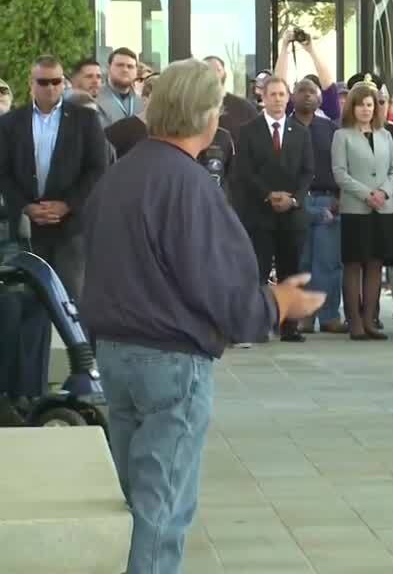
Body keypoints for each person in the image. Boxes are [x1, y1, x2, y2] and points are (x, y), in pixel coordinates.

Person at [80, 58, 323, 574]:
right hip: (169, 362)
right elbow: (220, 287)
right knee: (160, 512)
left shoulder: (119, 174)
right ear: (208, 118)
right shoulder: (190, 185)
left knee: (136, 501)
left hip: (116, 356)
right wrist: (277, 305)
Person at [0, 55, 107, 308]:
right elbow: (2, 172)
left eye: (56, 81)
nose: (50, 88)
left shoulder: (85, 120)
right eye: (43, 82)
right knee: (28, 305)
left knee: (75, 304)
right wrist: (26, 206)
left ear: (64, 83)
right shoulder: (10, 123)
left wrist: (67, 204)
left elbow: (97, 169)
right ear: (31, 83)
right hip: (27, 229)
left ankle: (81, 350)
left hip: (71, 228)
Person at [233, 76, 315, 343]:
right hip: (259, 212)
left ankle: (289, 326)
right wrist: (268, 195)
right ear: (263, 98)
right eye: (273, 94)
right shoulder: (248, 130)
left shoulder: (300, 131)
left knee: (289, 270)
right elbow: (243, 171)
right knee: (257, 270)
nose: (278, 99)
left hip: (291, 214)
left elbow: (307, 172)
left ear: (288, 97)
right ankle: (257, 325)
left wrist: (293, 199)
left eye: (282, 94)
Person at [332, 79, 393, 341]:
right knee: (353, 264)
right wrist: (366, 194)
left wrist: (383, 192)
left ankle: (371, 319)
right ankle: (355, 321)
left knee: (375, 264)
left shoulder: (386, 136)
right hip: (355, 209)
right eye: (360, 105)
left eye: (370, 105)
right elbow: (340, 173)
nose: (365, 109)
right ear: (352, 107)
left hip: (383, 208)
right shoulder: (342, 136)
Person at [291, 77, 346, 335]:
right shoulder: (286, 129)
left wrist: (341, 196)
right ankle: (303, 316)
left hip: (327, 200)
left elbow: (342, 166)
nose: (307, 95)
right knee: (301, 261)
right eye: (302, 91)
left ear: (320, 99)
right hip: (297, 202)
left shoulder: (331, 129)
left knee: (328, 263)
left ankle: (329, 316)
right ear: (293, 97)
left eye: (312, 91)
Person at [97, 48, 144, 127]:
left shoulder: (143, 102)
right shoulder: (94, 99)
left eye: (130, 66)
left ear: (136, 71)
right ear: (108, 68)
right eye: (120, 65)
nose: (125, 70)